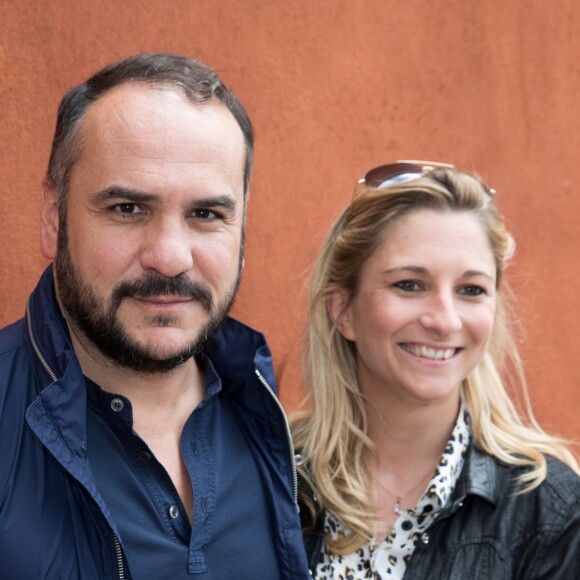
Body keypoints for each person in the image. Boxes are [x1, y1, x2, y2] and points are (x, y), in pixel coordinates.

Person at [0, 53, 309, 579]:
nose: (169, 256)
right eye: (127, 209)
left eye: (205, 214)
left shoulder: (271, 422)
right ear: (54, 219)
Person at [291, 161, 580, 579]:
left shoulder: (549, 512)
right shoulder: (274, 477)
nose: (445, 321)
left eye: (470, 290)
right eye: (409, 284)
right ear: (344, 311)